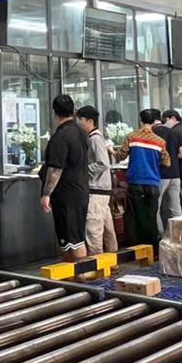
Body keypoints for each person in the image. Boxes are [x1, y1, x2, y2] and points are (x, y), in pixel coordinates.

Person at [39, 95, 89, 262]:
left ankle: (80, 274)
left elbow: (55, 169)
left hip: (66, 195)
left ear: (55, 112)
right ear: (73, 110)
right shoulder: (81, 132)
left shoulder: (60, 137)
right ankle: (75, 274)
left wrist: (46, 194)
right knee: (76, 237)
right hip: (81, 190)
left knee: (71, 241)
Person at [114, 108, 170, 251]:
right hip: (152, 182)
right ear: (154, 122)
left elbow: (120, 156)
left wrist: (109, 149)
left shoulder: (132, 137)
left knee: (134, 215)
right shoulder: (159, 141)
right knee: (150, 215)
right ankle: (152, 247)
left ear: (141, 120)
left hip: (135, 181)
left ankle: (134, 246)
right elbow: (167, 163)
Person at [78, 105, 117, 256]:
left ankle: (97, 263)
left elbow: (102, 163)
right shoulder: (95, 137)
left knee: (93, 229)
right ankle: (112, 261)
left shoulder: (94, 139)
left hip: (96, 190)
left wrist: (83, 170)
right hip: (102, 190)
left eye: (80, 119)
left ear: (89, 121)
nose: (78, 123)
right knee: (107, 229)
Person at [154, 110, 182, 231]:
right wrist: (172, 156)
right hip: (175, 174)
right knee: (175, 208)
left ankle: (160, 235)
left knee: (156, 207)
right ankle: (179, 234)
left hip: (161, 175)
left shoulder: (153, 133)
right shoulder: (175, 133)